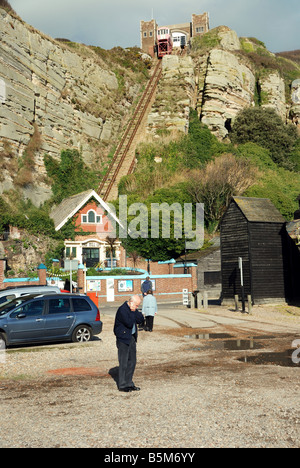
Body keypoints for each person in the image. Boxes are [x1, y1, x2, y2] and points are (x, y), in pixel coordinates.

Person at [113, 295, 144, 392]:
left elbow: (141, 320)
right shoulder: (122, 310)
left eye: (138, 306)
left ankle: (129, 382)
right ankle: (122, 385)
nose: (137, 307)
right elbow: (129, 323)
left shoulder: (133, 309)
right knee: (124, 362)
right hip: (123, 338)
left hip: (131, 337)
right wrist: (133, 311)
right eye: (136, 305)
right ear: (130, 302)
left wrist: (134, 311)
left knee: (132, 361)